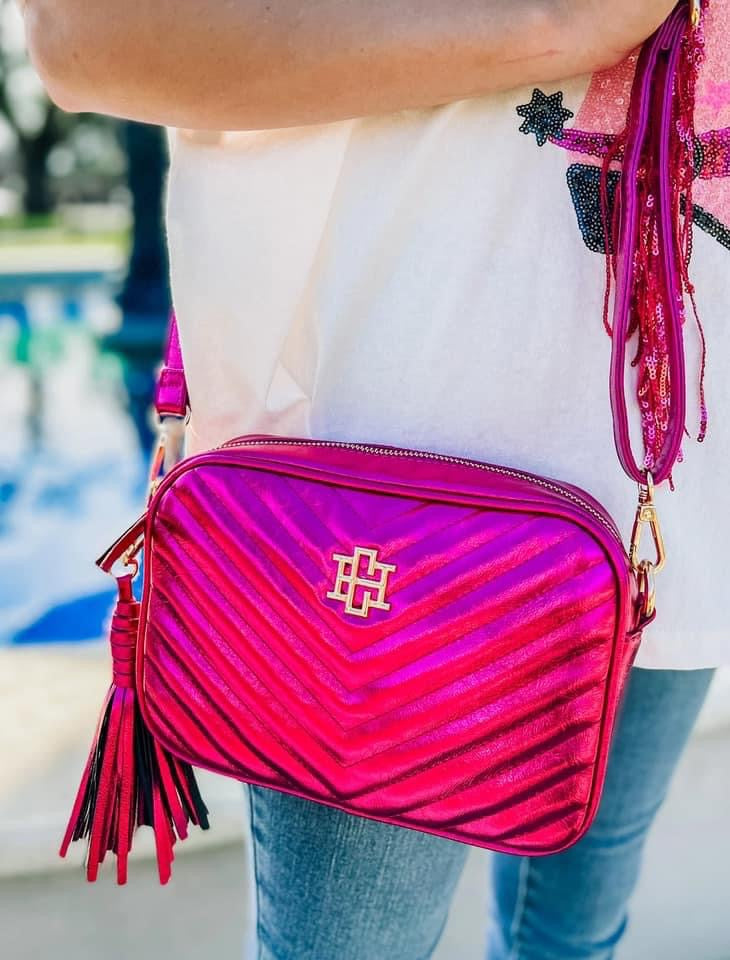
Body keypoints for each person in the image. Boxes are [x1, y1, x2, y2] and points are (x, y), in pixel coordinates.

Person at [22, 1, 729, 957]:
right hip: (381, 476)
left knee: (577, 931)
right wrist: (557, 24)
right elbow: (80, 40)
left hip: (682, 464)